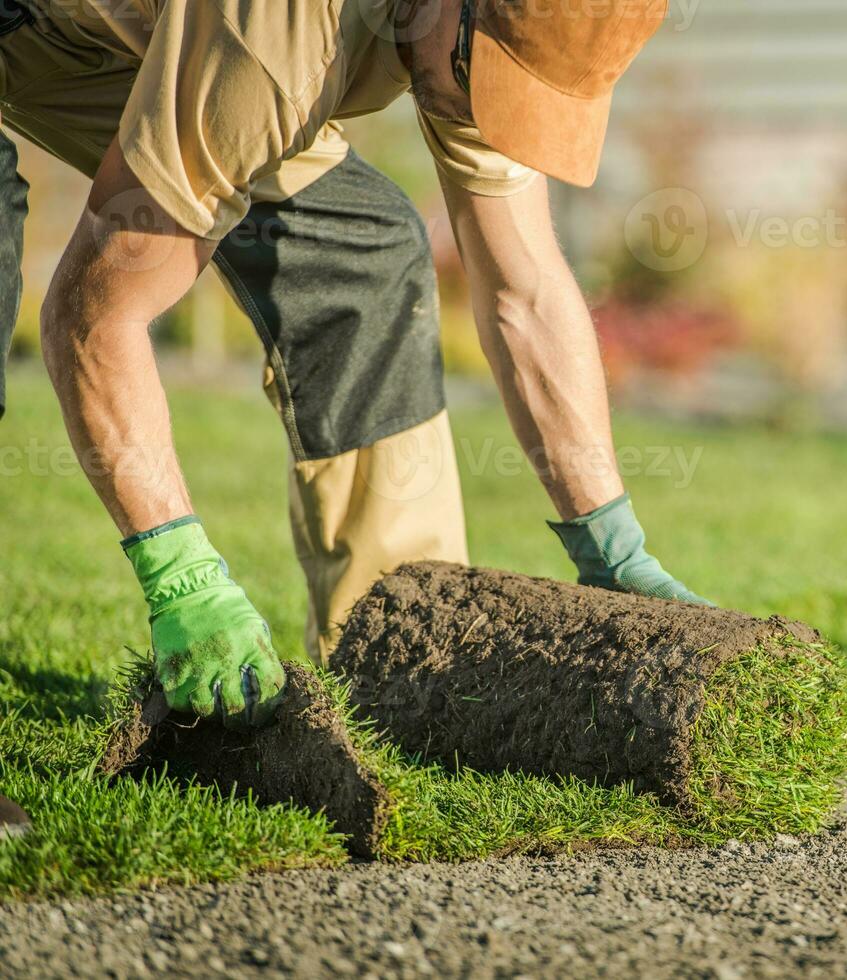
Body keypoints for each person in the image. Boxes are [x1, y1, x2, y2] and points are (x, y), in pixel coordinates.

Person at [0, 0, 706, 730]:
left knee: (361, 253)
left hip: (118, 33)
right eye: (484, 80)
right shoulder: (276, 44)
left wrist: (612, 544)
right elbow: (95, 313)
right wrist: (181, 578)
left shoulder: (470, 41)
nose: (488, 116)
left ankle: (394, 678)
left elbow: (524, 293)